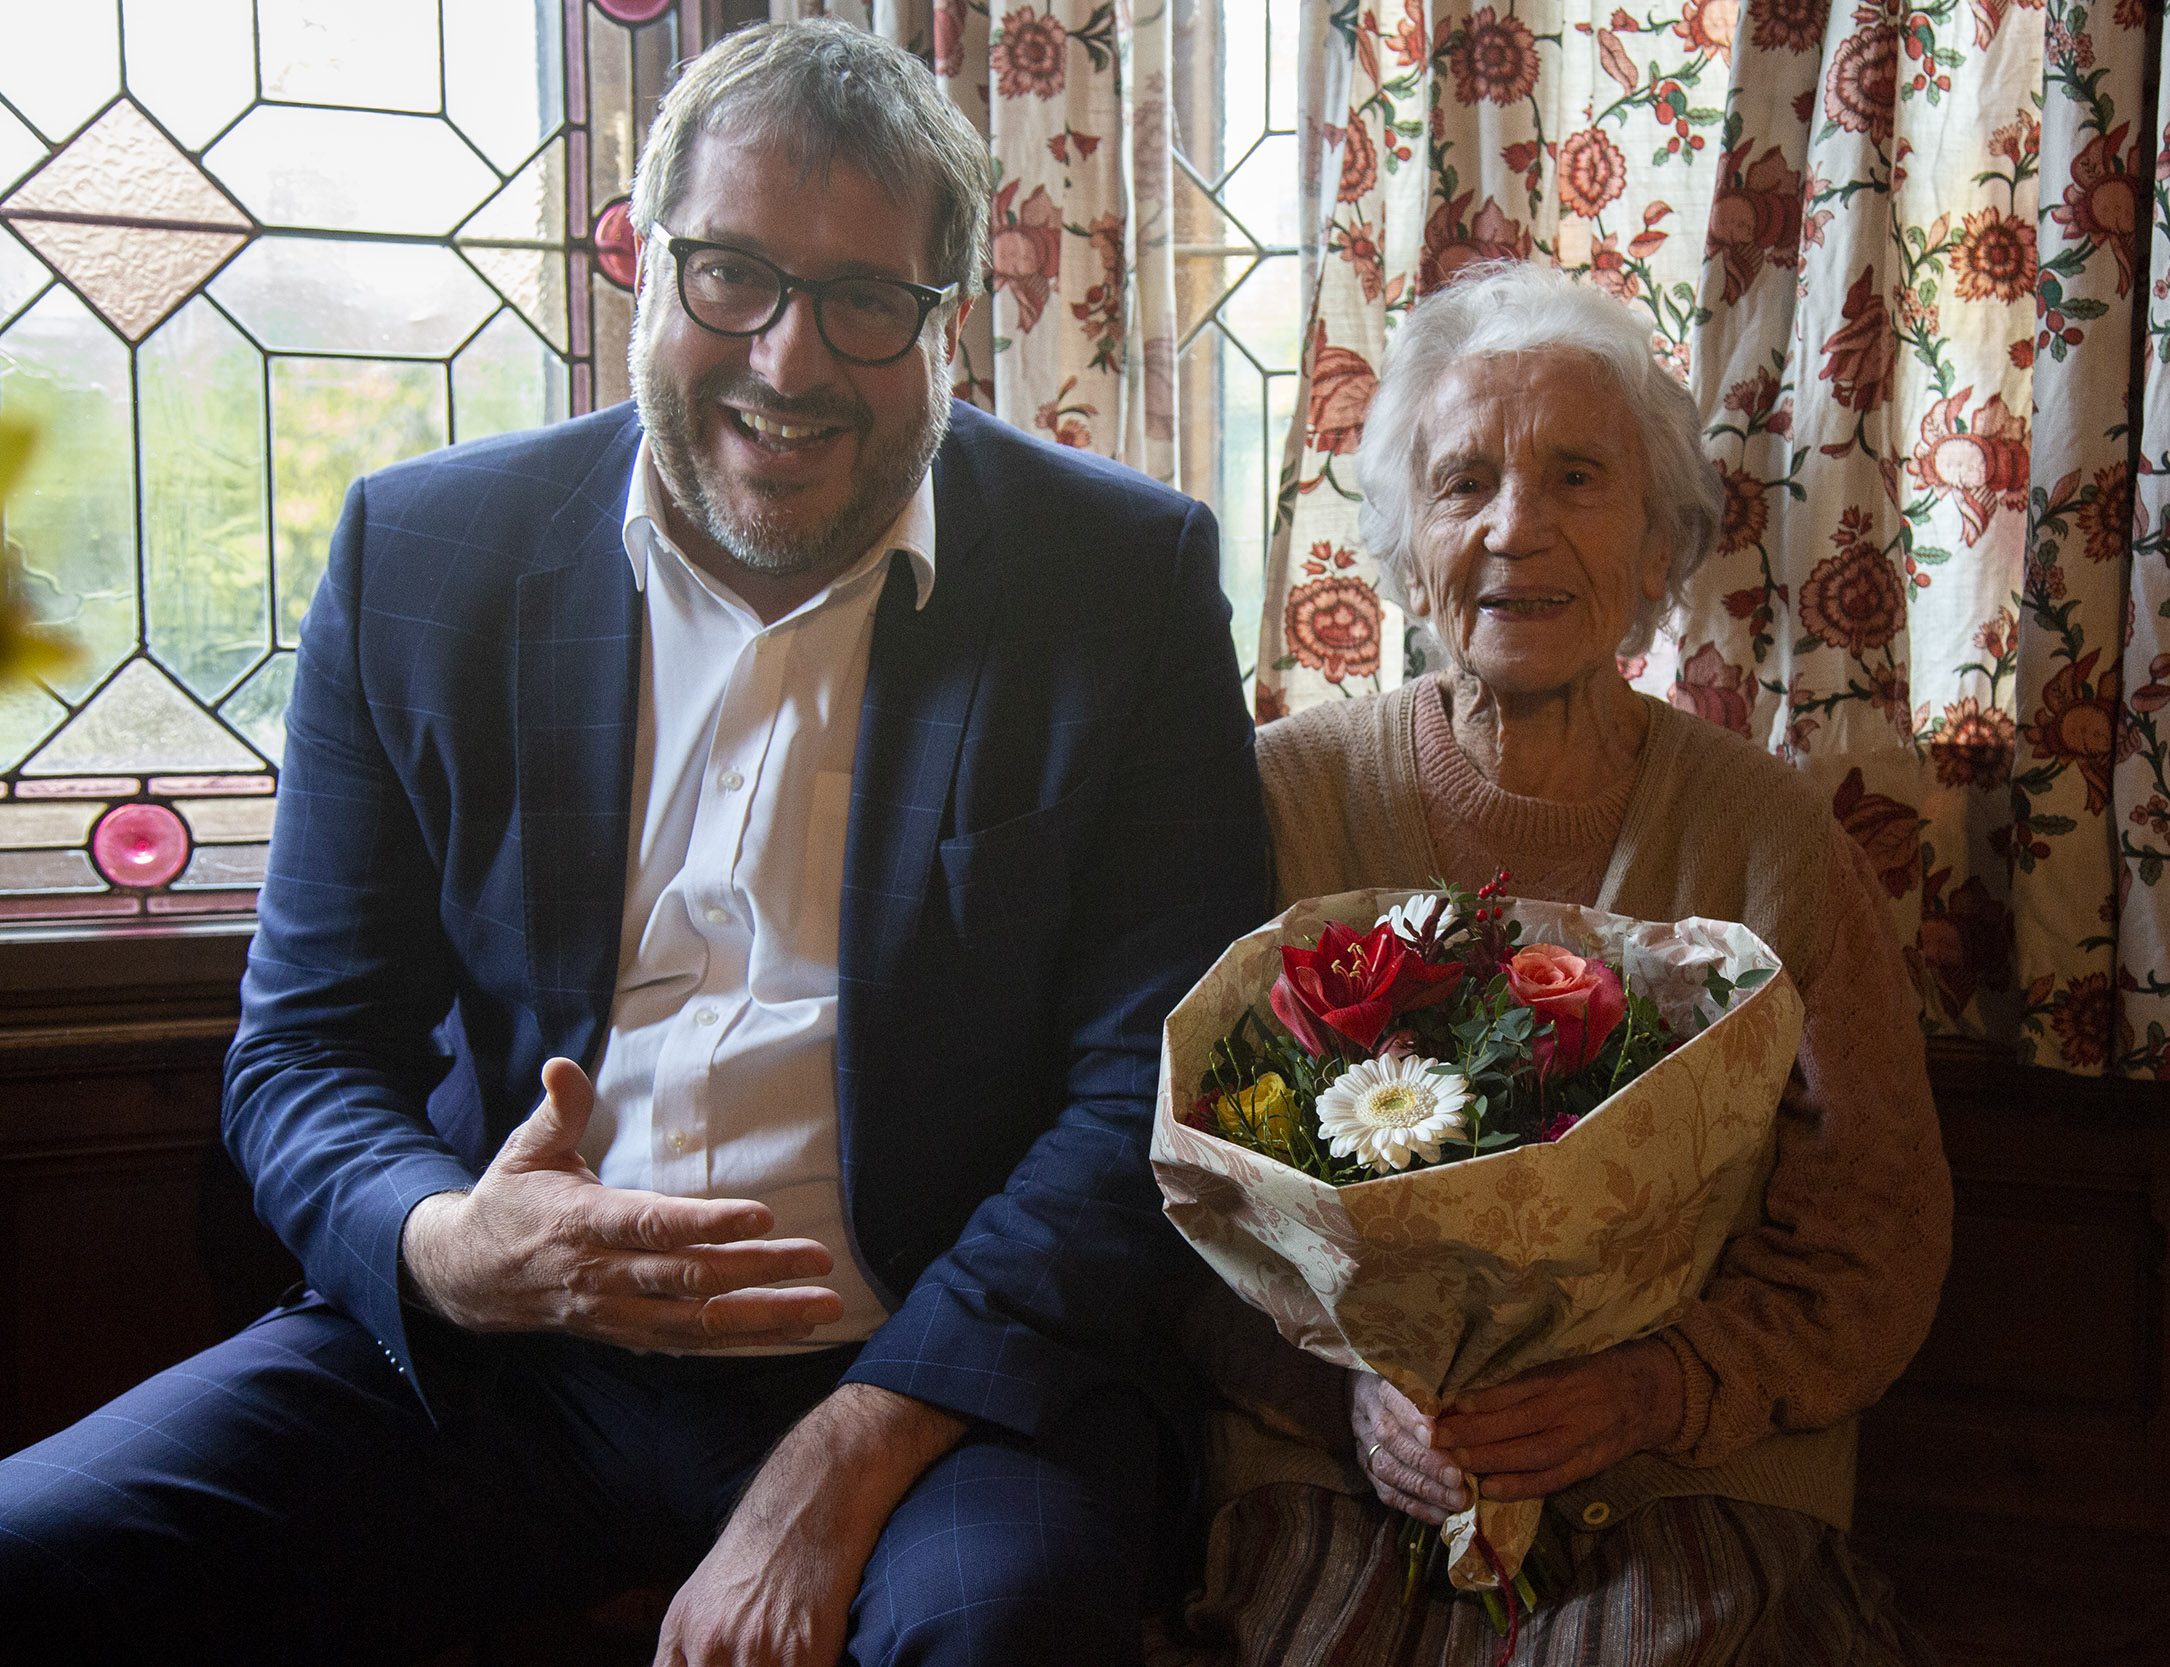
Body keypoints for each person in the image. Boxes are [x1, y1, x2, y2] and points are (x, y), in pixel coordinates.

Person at [0, 22, 1265, 1667]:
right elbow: (303, 1051)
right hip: (504, 1363)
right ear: (645, 270)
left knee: (1000, 1637)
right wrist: (450, 1245)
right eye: (733, 274)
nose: (789, 363)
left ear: (950, 323)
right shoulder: (419, 551)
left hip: (932, 1374)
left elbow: (1149, 1095)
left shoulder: (1122, 578)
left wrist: (849, 1450)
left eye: (865, 301)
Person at [1157, 260, 1951, 1665]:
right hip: (1349, 1460)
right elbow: (1173, 1188)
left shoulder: (1767, 834)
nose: (1516, 527)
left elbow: (1874, 1229)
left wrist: (1660, 1387)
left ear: (1657, 548)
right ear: (1406, 552)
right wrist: (1348, 1395)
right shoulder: (1279, 800)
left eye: (1577, 478)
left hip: (1680, 1464)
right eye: (1463, 483)